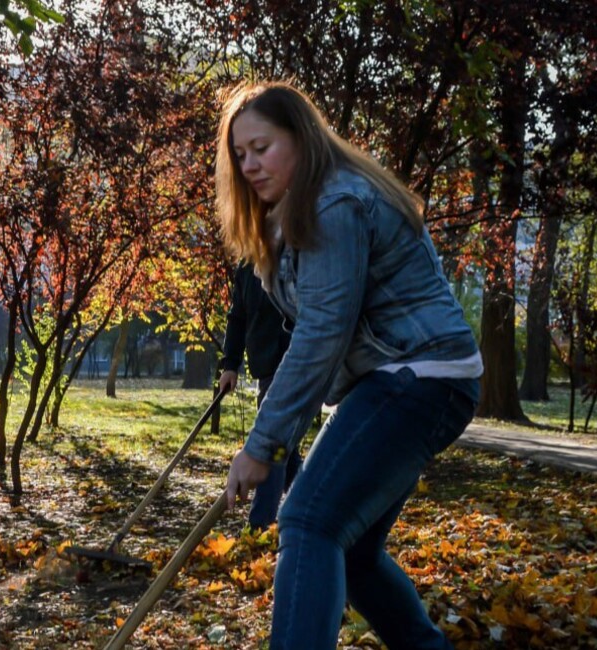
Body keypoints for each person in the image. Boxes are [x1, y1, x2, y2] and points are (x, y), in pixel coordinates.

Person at [217, 80, 482, 650]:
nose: (249, 165)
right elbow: (316, 334)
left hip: (421, 379)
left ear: (302, 139)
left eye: (261, 148)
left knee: (307, 521)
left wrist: (262, 447)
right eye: (239, 155)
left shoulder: (333, 204)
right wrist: (273, 440)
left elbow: (322, 333)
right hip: (401, 381)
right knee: (353, 552)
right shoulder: (296, 212)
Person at [218, 262, 299, 530]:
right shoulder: (245, 268)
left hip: (291, 362)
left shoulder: (290, 256)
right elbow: (237, 317)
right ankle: (309, 503)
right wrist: (230, 365)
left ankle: (259, 523)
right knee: (284, 448)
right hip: (265, 365)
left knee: (272, 440)